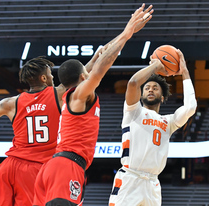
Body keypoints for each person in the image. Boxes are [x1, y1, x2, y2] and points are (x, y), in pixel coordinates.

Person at [32, 4, 153, 206]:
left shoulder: (67, 93)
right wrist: (127, 33)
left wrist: (117, 40)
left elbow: (97, 60)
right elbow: (100, 68)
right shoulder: (80, 94)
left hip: (54, 167)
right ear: (82, 77)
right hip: (66, 166)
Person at [0, 52, 102, 206]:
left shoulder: (11, 103)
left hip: (10, 166)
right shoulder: (58, 94)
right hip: (36, 167)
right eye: (50, 74)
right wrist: (93, 61)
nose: (53, 77)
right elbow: (77, 76)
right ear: (43, 78)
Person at [108, 49, 197, 206]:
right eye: (147, 87)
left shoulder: (169, 122)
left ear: (162, 98)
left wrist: (185, 71)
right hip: (130, 178)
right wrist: (155, 65)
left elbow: (190, 107)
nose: (150, 89)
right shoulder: (133, 112)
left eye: (155, 88)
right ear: (141, 96)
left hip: (153, 184)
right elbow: (133, 83)